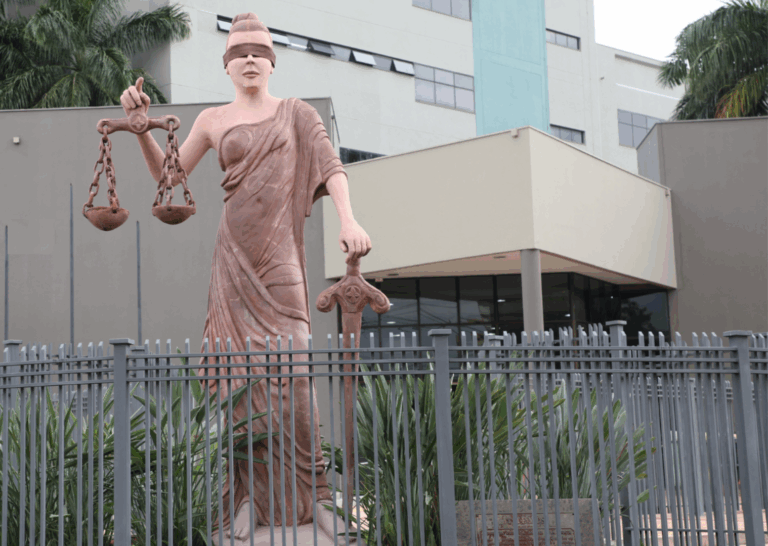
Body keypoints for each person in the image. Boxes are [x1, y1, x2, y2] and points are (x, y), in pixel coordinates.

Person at [120, 12, 371, 542]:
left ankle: (319, 496)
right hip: (232, 262)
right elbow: (169, 176)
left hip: (281, 259)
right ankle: (245, 500)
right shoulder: (213, 119)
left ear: (272, 64)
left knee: (296, 372)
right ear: (228, 66)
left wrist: (348, 219)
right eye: (240, 54)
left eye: (259, 53)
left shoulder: (297, 114)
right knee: (238, 384)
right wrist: (142, 131)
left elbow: (332, 168)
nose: (250, 60)